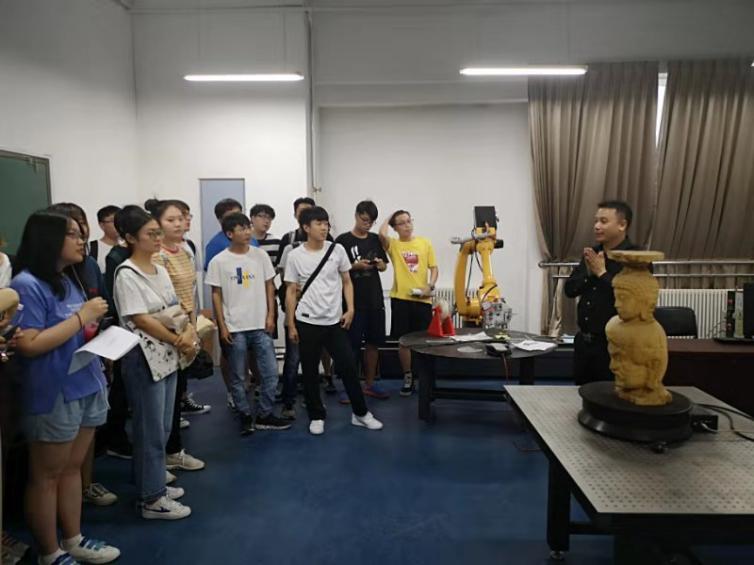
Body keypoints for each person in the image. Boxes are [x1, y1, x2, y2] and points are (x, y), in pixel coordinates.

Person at [12, 210, 120, 564]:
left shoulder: (67, 278)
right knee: (46, 476)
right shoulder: (26, 284)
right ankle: (50, 551)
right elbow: (29, 344)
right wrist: (81, 317)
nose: (80, 239)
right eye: (72, 234)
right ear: (48, 240)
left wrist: (93, 330)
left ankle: (73, 539)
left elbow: (72, 330)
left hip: (84, 382)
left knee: (72, 469)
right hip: (52, 391)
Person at [113, 205, 193, 520]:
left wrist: (185, 333)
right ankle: (151, 499)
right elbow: (141, 319)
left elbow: (173, 307)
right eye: (151, 234)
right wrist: (177, 338)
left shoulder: (158, 269)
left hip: (167, 354)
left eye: (158, 232)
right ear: (130, 238)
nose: (158, 238)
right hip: (143, 357)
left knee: (162, 426)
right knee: (149, 428)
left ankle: (153, 482)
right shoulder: (127, 273)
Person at [285, 206, 383, 436]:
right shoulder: (295, 256)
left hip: (334, 321)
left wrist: (351, 309)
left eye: (326, 223)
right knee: (310, 371)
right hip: (307, 321)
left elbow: (347, 281)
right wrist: (291, 323)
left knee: (348, 367)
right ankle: (316, 415)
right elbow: (290, 290)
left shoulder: (337, 250)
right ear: (306, 227)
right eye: (318, 223)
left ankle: (361, 413)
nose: (324, 227)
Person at [206, 212, 291, 435]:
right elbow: (216, 294)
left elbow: (269, 286)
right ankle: (244, 415)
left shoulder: (260, 256)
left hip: (260, 324)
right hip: (234, 327)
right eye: (241, 229)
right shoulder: (219, 261)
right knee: (238, 376)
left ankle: (264, 414)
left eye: (247, 227)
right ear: (229, 234)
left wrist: (271, 315)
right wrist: (222, 326)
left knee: (270, 373)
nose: (247, 232)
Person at [144, 199, 206, 473]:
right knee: (161, 404)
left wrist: (192, 329)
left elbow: (189, 294)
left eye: (181, 218)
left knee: (176, 394)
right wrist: (181, 333)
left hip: (185, 329)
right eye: (171, 220)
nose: (179, 224)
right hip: (165, 333)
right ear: (156, 224)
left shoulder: (184, 250)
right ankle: (161, 459)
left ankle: (172, 451)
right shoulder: (157, 257)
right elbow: (161, 303)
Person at [564, 200, 640, 385]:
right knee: (581, 394)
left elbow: (634, 297)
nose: (597, 226)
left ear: (622, 225)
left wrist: (602, 274)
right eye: (596, 221)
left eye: (604, 221)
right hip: (585, 344)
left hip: (616, 347)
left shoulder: (635, 257)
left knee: (611, 396)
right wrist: (589, 274)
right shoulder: (593, 253)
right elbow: (570, 290)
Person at [379, 210, 438, 396]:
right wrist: (390, 216)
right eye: (402, 223)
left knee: (425, 341)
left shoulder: (424, 243)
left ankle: (427, 378)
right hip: (401, 299)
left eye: (409, 221)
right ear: (395, 227)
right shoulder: (394, 245)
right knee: (403, 342)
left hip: (422, 300)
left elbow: (434, 268)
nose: (407, 225)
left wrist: (430, 286)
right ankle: (408, 377)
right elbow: (381, 234)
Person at [335, 201, 390, 399]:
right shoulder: (342, 241)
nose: (367, 224)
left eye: (371, 222)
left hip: (374, 299)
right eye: (364, 220)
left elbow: (384, 266)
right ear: (356, 215)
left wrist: (380, 264)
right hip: (352, 302)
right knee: (351, 346)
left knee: (373, 343)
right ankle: (349, 387)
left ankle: (370, 384)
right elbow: (334, 268)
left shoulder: (375, 240)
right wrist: (354, 266)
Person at [204, 198, 243, 271]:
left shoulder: (252, 240)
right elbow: (211, 271)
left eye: (238, 214)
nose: (237, 219)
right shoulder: (215, 244)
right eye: (231, 217)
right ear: (220, 220)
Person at [89, 205, 121, 274]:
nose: (118, 224)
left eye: (120, 220)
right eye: (113, 221)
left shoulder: (129, 247)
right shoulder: (92, 247)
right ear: (102, 225)